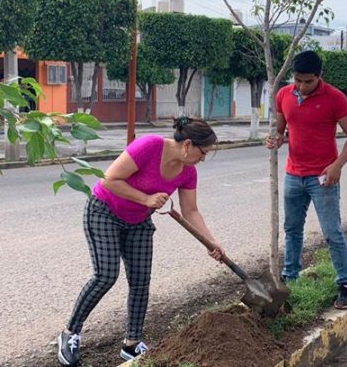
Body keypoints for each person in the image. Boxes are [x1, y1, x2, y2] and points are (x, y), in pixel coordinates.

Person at [58, 117, 225, 366]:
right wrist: (145, 199)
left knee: (140, 281)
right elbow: (109, 179)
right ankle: (70, 333)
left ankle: (132, 344)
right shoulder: (149, 146)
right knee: (105, 275)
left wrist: (211, 242)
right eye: (204, 152)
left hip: (137, 221)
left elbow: (190, 210)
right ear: (188, 144)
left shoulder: (188, 172)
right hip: (104, 211)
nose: (203, 158)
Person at [265, 50, 347, 310]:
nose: (302, 86)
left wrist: (337, 165)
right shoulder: (284, 95)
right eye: (297, 80)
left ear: (320, 76)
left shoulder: (334, 98)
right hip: (293, 175)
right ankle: (291, 275)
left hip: (323, 178)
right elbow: (280, 130)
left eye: (308, 81)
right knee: (292, 229)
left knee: (332, 232)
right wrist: (275, 139)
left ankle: (345, 283)